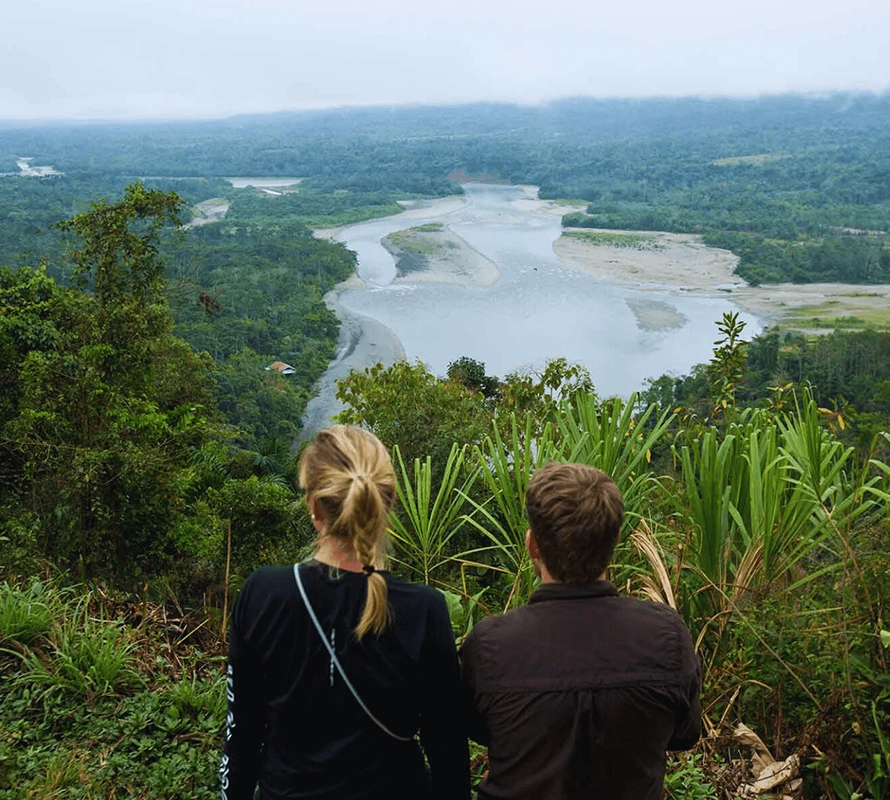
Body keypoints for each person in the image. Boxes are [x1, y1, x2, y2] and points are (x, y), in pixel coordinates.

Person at [220, 425, 469, 800]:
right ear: (387, 505)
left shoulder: (264, 594)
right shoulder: (424, 610)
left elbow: (242, 739)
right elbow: (449, 755)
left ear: (315, 507)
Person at [460, 461, 701, 800]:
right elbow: (684, 734)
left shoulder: (490, 645)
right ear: (614, 542)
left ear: (532, 545)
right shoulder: (666, 637)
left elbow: (480, 730)